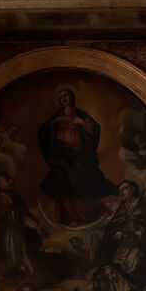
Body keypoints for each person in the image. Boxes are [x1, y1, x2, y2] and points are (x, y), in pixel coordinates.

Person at [37, 84, 116, 222]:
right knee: (61, 181)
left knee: (82, 180)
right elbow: (44, 132)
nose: (64, 99)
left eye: (66, 95)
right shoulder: (56, 116)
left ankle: (90, 213)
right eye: (61, 97)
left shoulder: (81, 115)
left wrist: (80, 122)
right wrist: (56, 122)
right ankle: (66, 216)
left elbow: (94, 130)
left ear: (72, 97)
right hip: (61, 154)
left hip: (79, 154)